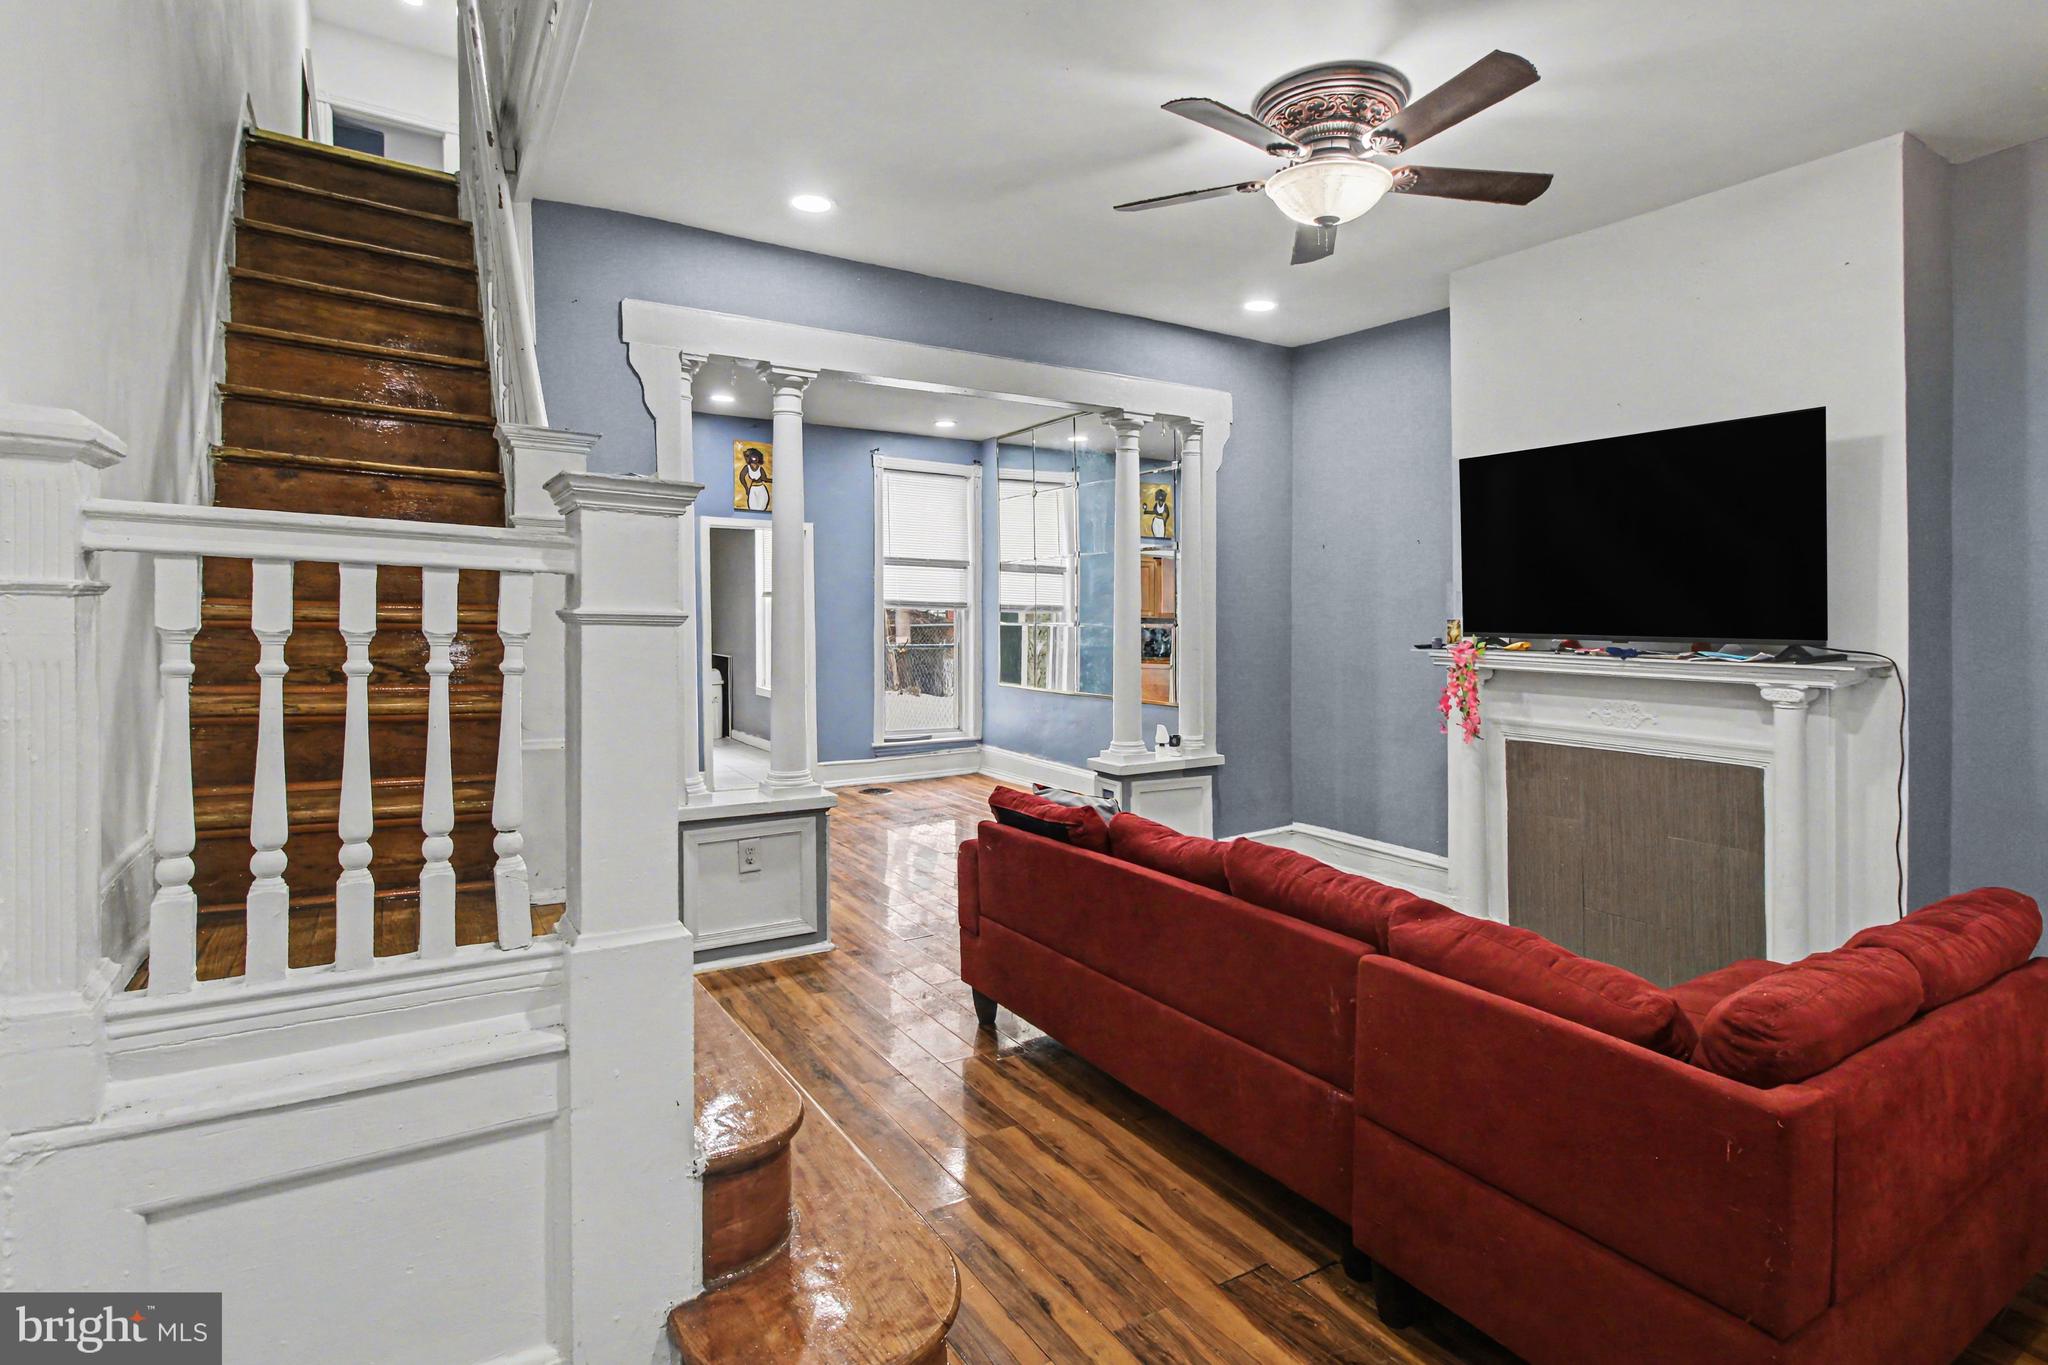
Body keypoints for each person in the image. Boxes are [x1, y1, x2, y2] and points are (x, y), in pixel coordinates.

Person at [738, 444, 771, 511]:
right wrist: (746, 488)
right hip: (752, 489)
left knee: (762, 507)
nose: (754, 458)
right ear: (749, 457)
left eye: (756, 457)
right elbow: (741, 478)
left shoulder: (760, 468)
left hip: (761, 489)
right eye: (752, 456)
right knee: (752, 506)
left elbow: (765, 479)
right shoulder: (747, 468)